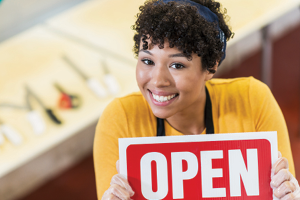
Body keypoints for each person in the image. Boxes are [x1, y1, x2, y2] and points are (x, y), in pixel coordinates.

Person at [94, 0, 299, 199]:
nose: (157, 81)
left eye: (177, 65)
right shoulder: (120, 119)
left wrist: (287, 195)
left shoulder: (252, 100)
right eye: (147, 61)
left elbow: (281, 189)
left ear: (210, 66)